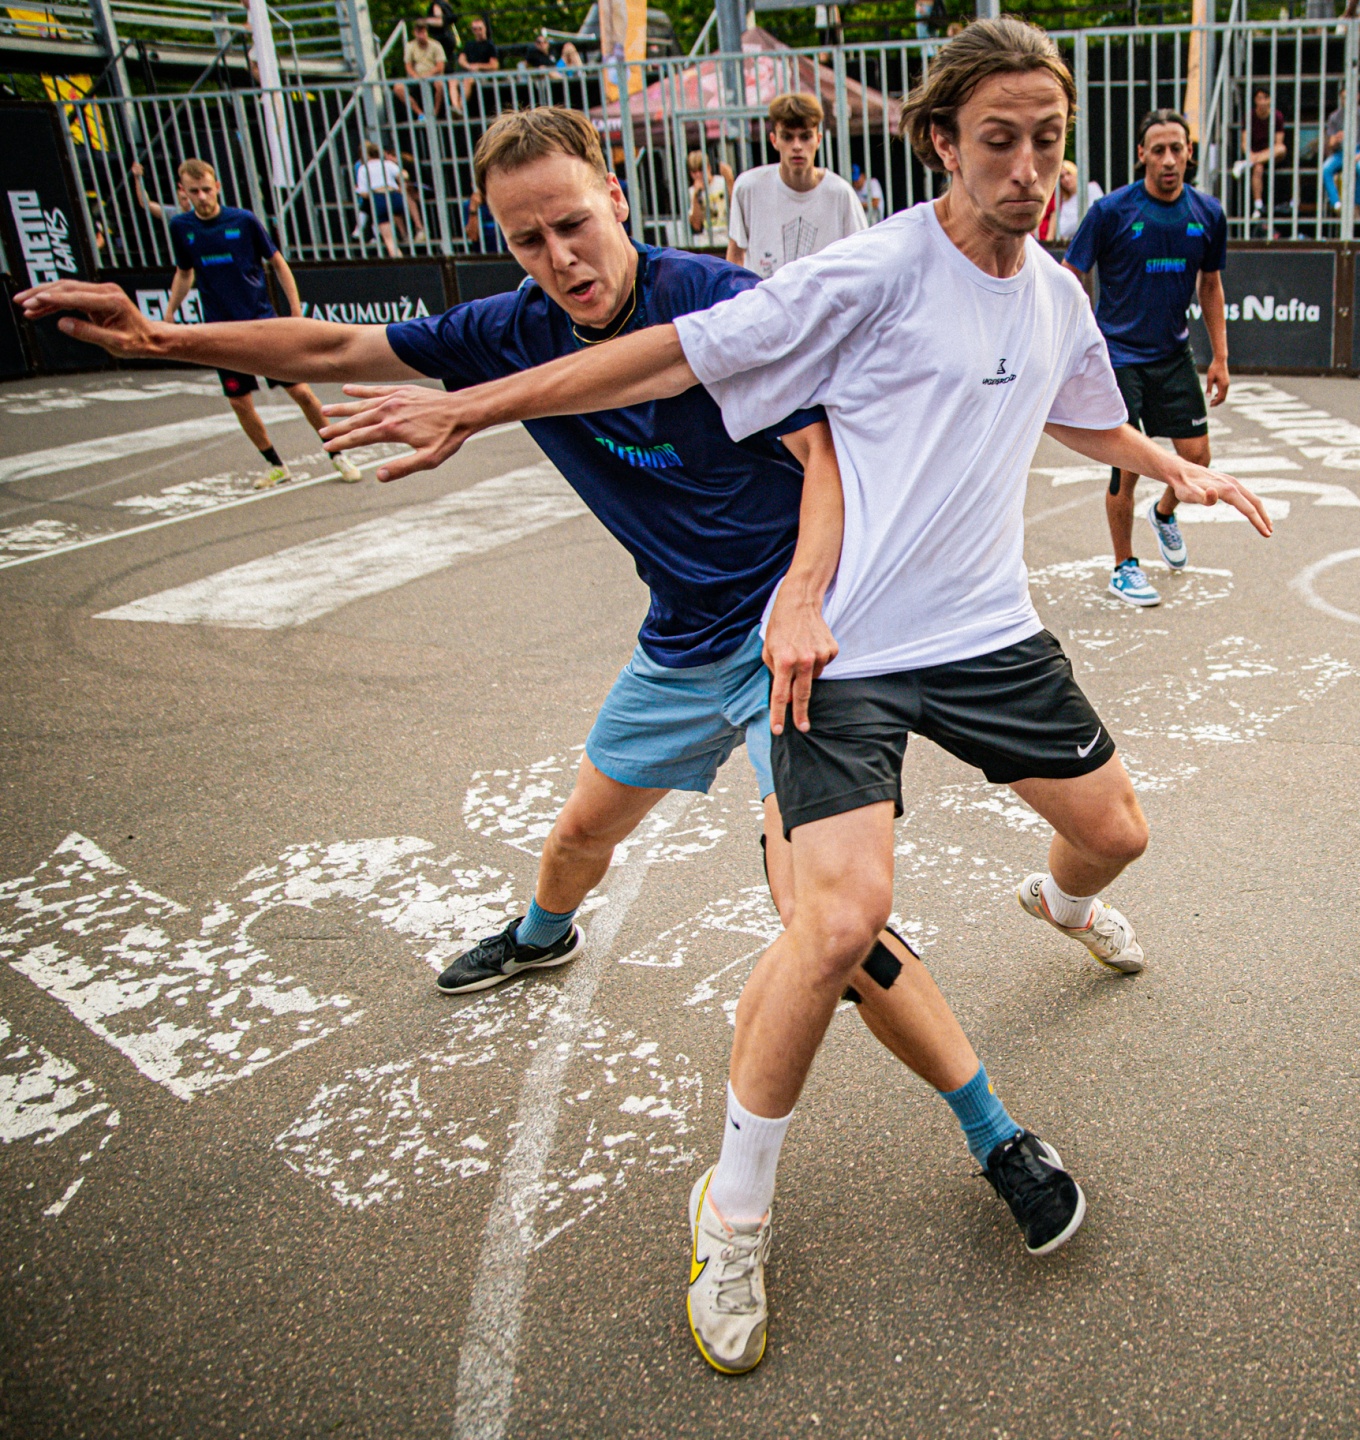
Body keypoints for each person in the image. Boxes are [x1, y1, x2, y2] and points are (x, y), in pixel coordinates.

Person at [293, 20, 1271, 1377]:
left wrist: (1173, 466)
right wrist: (481, 404)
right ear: (941, 143)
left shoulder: (1053, 293)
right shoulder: (870, 272)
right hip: (843, 645)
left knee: (1116, 836)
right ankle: (737, 1209)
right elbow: (670, 356)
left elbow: (1082, 415)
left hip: (986, 634)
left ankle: (1057, 904)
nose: (1029, 167)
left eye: (1048, 140)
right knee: (835, 923)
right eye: (999, 139)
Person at [16, 105, 1059, 1313]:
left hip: (793, 647)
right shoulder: (506, 329)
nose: (560, 257)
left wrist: (804, 597)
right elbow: (341, 343)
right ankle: (538, 936)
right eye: (527, 239)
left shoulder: (716, 301)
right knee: (578, 834)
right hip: (679, 646)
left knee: (830, 926)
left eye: (572, 223)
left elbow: (827, 461)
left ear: (616, 198)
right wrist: (160, 336)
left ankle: (994, 1132)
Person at [1063, 108, 1230, 606]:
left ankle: (1164, 513)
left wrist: (1220, 357)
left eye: (1177, 149)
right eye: (1158, 150)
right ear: (1142, 155)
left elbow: (1210, 284)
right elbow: (1070, 275)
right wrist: (1075, 342)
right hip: (1118, 356)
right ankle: (1124, 566)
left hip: (1173, 353)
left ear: (1189, 153)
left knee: (1197, 457)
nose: (1169, 159)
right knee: (1127, 466)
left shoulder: (1207, 213)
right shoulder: (1111, 211)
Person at [154, 159, 363, 489]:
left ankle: (338, 453)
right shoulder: (181, 226)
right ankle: (276, 465)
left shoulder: (244, 220)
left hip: (262, 325)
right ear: (184, 192)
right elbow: (184, 273)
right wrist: (169, 315)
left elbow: (277, 262)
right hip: (220, 332)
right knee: (239, 402)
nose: (202, 196)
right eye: (194, 191)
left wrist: (295, 311)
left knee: (301, 392)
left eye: (207, 189)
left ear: (217, 186)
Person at [726, 92, 867, 278]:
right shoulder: (748, 188)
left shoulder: (840, 194)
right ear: (774, 140)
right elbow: (735, 256)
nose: (797, 146)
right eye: (787, 137)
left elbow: (860, 260)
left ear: (818, 139)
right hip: (764, 294)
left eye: (805, 137)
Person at [1321, 86, 1360, 217]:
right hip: (1340, 152)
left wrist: (1357, 157)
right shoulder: (1335, 117)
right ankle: (1336, 204)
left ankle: (1357, 205)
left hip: (1358, 151)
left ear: (1357, 97)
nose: (1347, 101)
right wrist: (1336, 139)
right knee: (1325, 168)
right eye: (1344, 98)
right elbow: (1330, 144)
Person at [1238, 86, 1287, 220]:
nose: (1262, 102)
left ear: (1270, 100)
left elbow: (1279, 143)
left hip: (1272, 154)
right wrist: (1250, 154)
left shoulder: (1277, 116)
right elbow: (1244, 142)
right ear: (1255, 100)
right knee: (1258, 168)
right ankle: (1258, 206)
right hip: (1255, 154)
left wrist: (1254, 158)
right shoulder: (1250, 116)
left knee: (1281, 148)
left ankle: (1247, 163)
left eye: (1265, 98)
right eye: (1259, 98)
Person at [355, 143, 408, 257]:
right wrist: (400, 186)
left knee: (389, 240)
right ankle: (404, 234)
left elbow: (364, 193)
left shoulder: (363, 168)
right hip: (394, 196)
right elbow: (404, 175)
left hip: (379, 198)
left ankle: (398, 258)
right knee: (397, 213)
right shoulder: (387, 164)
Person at [685, 149, 731, 247]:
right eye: (694, 172)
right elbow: (696, 225)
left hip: (728, 237)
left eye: (701, 170)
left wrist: (730, 180)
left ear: (709, 168)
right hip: (706, 242)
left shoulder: (721, 182)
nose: (698, 175)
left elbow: (736, 205)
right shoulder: (692, 192)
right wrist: (696, 196)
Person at [455, 16, 500, 113]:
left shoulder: (490, 45)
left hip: (483, 75)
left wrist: (478, 66)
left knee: (468, 80)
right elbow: (461, 59)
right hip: (468, 73)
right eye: (475, 29)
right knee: (452, 80)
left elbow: (494, 65)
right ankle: (455, 107)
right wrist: (468, 66)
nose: (478, 31)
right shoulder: (469, 44)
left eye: (480, 28)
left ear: (485, 29)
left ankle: (459, 108)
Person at [402, 22, 448, 116]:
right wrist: (415, 75)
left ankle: (434, 113)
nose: (421, 35)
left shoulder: (436, 45)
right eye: (418, 32)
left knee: (439, 85)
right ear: (414, 33)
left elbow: (440, 66)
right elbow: (408, 66)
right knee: (398, 87)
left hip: (434, 77)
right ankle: (420, 114)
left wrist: (427, 75)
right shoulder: (410, 46)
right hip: (417, 78)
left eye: (423, 32)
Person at [1045, 159, 1098, 242]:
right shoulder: (1063, 201)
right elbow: (1062, 230)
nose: (1066, 179)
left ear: (1076, 173)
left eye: (1068, 173)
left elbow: (1095, 215)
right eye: (1062, 177)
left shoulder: (1091, 188)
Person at [462, 183, 499, 250]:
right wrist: (473, 209)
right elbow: (473, 236)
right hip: (483, 252)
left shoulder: (504, 202)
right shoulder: (468, 205)